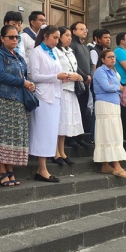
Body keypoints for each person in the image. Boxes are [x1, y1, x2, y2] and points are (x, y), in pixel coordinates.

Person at [0, 25, 35, 186]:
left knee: (14, 137)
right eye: (11, 37)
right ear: (2, 38)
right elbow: (0, 75)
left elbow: (25, 75)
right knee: (3, 136)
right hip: (2, 99)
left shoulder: (20, 57)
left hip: (18, 101)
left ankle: (10, 169)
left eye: (17, 37)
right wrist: (23, 82)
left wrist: (30, 85)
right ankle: (1, 170)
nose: (15, 40)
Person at [29, 25, 69, 182]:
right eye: (55, 37)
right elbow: (35, 76)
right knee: (43, 132)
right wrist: (56, 76)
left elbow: (54, 73)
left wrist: (64, 77)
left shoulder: (53, 53)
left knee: (51, 132)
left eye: (58, 38)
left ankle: (42, 169)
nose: (57, 41)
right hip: (43, 96)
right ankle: (42, 168)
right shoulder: (36, 52)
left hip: (56, 95)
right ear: (45, 36)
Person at [93, 49, 126, 178]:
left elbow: (112, 86)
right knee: (110, 133)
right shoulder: (100, 71)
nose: (113, 59)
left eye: (114, 57)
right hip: (104, 104)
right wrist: (118, 87)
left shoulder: (113, 72)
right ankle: (117, 166)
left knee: (111, 132)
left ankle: (105, 164)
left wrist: (115, 86)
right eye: (109, 57)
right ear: (103, 59)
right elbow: (107, 86)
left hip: (114, 103)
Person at [53, 26, 84, 165]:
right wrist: (71, 76)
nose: (69, 38)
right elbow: (56, 69)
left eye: (70, 36)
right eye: (66, 35)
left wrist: (78, 76)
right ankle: (55, 152)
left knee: (66, 122)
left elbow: (74, 67)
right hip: (61, 88)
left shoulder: (70, 51)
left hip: (71, 89)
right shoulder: (55, 51)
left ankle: (62, 150)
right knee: (60, 121)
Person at [69, 21, 92, 147]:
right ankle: (71, 138)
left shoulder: (85, 47)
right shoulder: (72, 45)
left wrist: (90, 76)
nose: (85, 31)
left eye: (86, 29)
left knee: (83, 110)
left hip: (86, 82)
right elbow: (73, 65)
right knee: (75, 110)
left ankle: (80, 136)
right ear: (74, 31)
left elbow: (89, 64)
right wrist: (84, 76)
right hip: (77, 82)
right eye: (81, 29)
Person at [114, 32, 126, 143]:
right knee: (124, 112)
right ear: (122, 41)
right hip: (123, 84)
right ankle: (122, 136)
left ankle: (125, 135)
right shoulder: (119, 51)